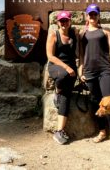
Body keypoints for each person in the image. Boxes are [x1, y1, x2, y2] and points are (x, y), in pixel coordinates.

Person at [79, 4, 110, 146]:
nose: (92, 16)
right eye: (90, 14)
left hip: (105, 70)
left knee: (108, 102)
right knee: (96, 102)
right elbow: (81, 54)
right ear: (87, 16)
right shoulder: (82, 34)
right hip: (89, 71)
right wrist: (81, 71)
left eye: (94, 14)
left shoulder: (106, 32)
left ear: (98, 16)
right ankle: (102, 131)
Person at [46, 10, 78, 145]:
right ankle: (57, 90)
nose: (64, 23)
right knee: (64, 76)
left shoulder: (74, 34)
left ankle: (59, 131)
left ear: (70, 21)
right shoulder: (53, 35)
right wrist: (67, 67)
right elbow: (50, 56)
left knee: (66, 97)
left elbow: (79, 53)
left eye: (66, 20)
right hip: (56, 67)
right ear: (58, 22)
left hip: (71, 70)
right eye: (61, 21)